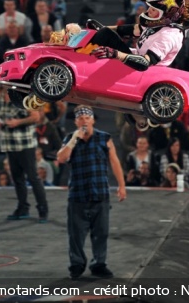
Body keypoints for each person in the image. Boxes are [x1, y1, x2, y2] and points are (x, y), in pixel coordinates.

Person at [57, 105, 126, 280]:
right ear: (76, 122)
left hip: (100, 193)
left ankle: (99, 264)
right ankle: (77, 264)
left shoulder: (104, 138)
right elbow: (61, 158)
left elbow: (114, 161)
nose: (84, 121)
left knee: (101, 232)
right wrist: (73, 139)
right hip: (78, 195)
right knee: (76, 234)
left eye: (87, 118)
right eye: (80, 119)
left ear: (93, 120)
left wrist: (121, 185)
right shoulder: (70, 139)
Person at [86, 0, 189, 71]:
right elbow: (128, 30)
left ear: (167, 15)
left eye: (153, 10)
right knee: (105, 32)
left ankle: (81, 57)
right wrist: (102, 28)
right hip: (135, 59)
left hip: (143, 71)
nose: (148, 11)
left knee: (106, 34)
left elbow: (144, 64)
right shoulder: (159, 24)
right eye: (149, 7)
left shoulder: (168, 37)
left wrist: (115, 54)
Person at [0, 88, 48, 222]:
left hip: (25, 143)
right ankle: (23, 208)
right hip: (10, 143)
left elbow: (36, 116)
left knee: (33, 177)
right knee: (17, 178)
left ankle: (43, 209)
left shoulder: (23, 97)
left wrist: (18, 122)